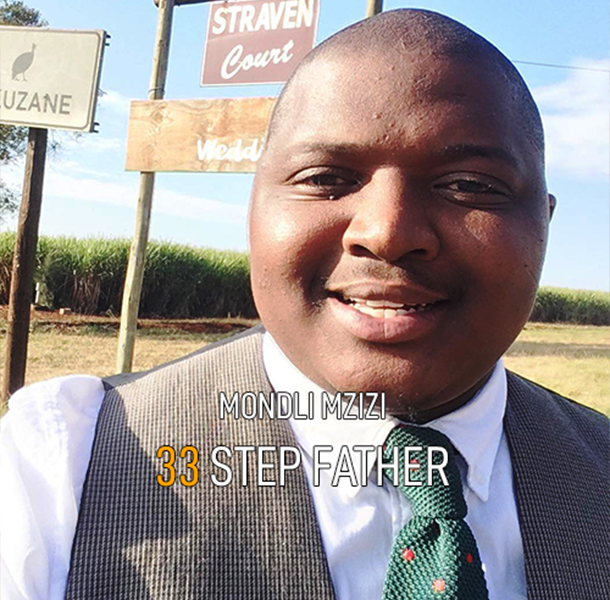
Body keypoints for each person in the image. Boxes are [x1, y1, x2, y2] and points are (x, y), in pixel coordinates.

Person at [1, 8, 609, 600]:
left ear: (544, 222)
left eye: (469, 185)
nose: (387, 232)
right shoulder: (58, 475)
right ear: (254, 207)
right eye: (325, 178)